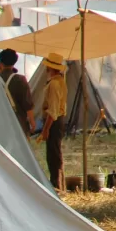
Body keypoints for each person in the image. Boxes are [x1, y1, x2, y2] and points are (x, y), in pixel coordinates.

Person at [41, 53, 68, 191]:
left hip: (54, 121)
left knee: (53, 154)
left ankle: (56, 185)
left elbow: (53, 110)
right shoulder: (60, 81)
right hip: (57, 120)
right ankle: (58, 184)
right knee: (55, 153)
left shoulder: (54, 84)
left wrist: (46, 129)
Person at [0, 48, 35, 136]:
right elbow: (27, 104)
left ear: (0, 63)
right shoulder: (20, 80)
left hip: (0, 122)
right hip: (18, 123)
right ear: (14, 63)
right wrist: (32, 122)